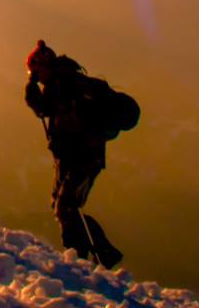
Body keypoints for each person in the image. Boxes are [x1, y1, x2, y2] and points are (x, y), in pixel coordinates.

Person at [23, 40, 137, 267]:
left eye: (35, 72)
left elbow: (46, 110)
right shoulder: (60, 84)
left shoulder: (66, 84)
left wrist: (32, 89)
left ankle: (84, 256)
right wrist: (33, 90)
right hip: (75, 156)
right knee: (62, 205)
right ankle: (89, 254)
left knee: (65, 206)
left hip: (82, 157)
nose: (35, 76)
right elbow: (45, 110)